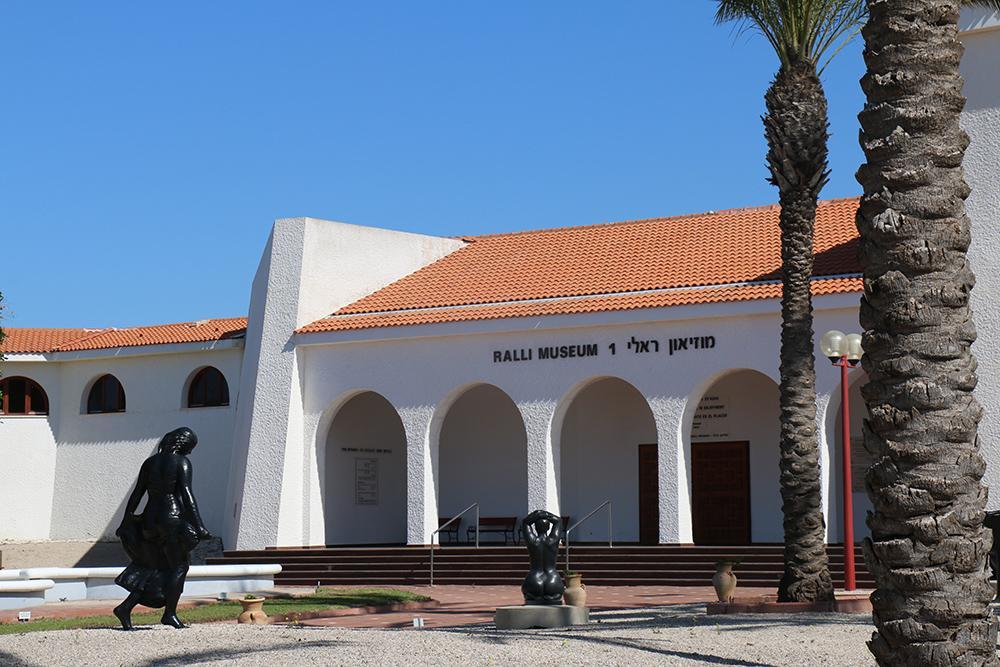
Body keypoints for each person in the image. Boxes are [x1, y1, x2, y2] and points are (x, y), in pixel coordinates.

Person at [113, 427, 212, 630]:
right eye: (190, 447)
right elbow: (186, 494)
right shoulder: (181, 462)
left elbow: (137, 494)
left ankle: (126, 607)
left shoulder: (150, 463)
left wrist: (126, 520)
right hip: (171, 519)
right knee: (179, 567)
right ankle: (170, 614)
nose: (190, 452)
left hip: (150, 520)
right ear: (182, 444)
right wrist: (200, 526)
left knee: (156, 568)